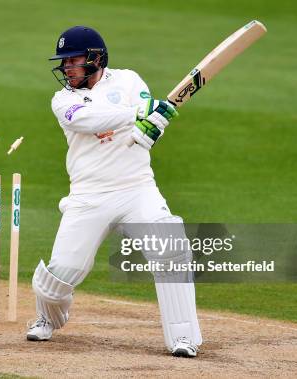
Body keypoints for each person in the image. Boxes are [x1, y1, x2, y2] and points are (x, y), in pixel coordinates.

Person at [26, 26, 202, 358]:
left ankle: (183, 337)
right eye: (64, 62)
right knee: (59, 276)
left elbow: (149, 130)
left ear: (96, 59)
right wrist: (138, 115)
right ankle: (46, 319)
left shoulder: (130, 81)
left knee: (170, 247)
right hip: (89, 195)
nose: (66, 69)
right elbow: (89, 120)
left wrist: (153, 127)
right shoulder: (63, 100)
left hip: (137, 188)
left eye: (73, 61)